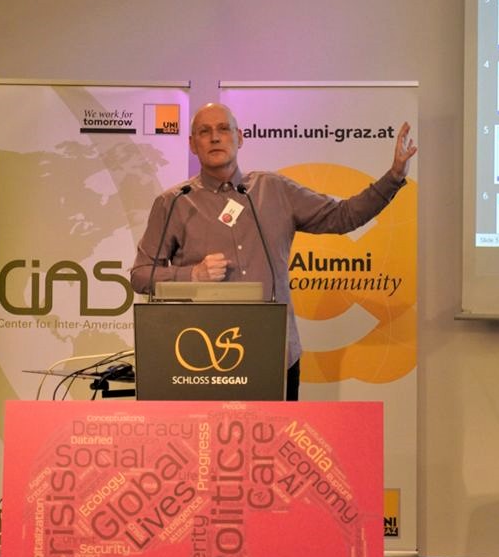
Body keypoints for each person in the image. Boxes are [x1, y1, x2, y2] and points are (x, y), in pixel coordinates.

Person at [131, 102, 417, 400]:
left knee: (277, 433)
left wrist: (393, 177)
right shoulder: (174, 202)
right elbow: (140, 275)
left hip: (275, 355)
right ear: (192, 144)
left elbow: (342, 216)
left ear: (239, 138)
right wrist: (193, 275)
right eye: (205, 131)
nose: (215, 137)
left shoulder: (274, 189)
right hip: (202, 359)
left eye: (224, 129)